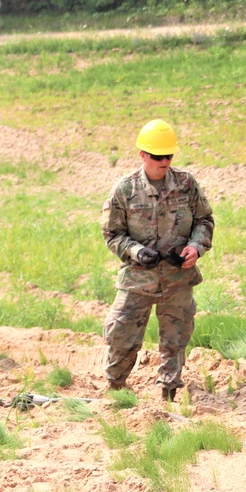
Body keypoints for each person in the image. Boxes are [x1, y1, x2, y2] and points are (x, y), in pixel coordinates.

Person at [100, 119, 214, 401]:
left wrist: (196, 247)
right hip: (138, 279)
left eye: (169, 156)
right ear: (142, 154)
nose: (164, 161)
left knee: (175, 339)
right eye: (157, 156)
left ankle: (169, 394)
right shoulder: (124, 190)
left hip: (178, 279)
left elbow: (204, 219)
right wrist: (136, 252)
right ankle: (116, 391)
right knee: (121, 335)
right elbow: (112, 233)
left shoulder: (186, 184)